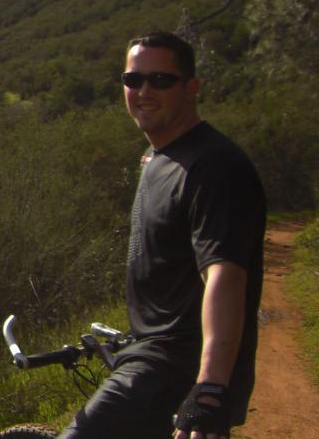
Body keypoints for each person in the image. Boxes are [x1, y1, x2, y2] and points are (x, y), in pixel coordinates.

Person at [61, 32, 266, 439]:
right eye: (133, 80)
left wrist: (208, 390)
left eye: (161, 80)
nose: (144, 91)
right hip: (148, 354)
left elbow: (225, 276)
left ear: (191, 88)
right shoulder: (158, 157)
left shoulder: (214, 166)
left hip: (174, 366)